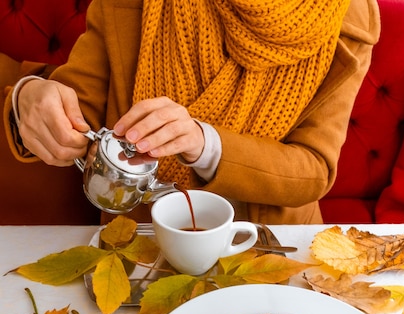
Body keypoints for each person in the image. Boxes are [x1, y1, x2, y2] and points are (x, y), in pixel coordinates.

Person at [3, 0, 380, 225]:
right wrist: (29, 96)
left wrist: (206, 145)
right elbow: (77, 107)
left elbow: (314, 169)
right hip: (142, 240)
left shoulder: (350, 17)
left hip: (270, 244)